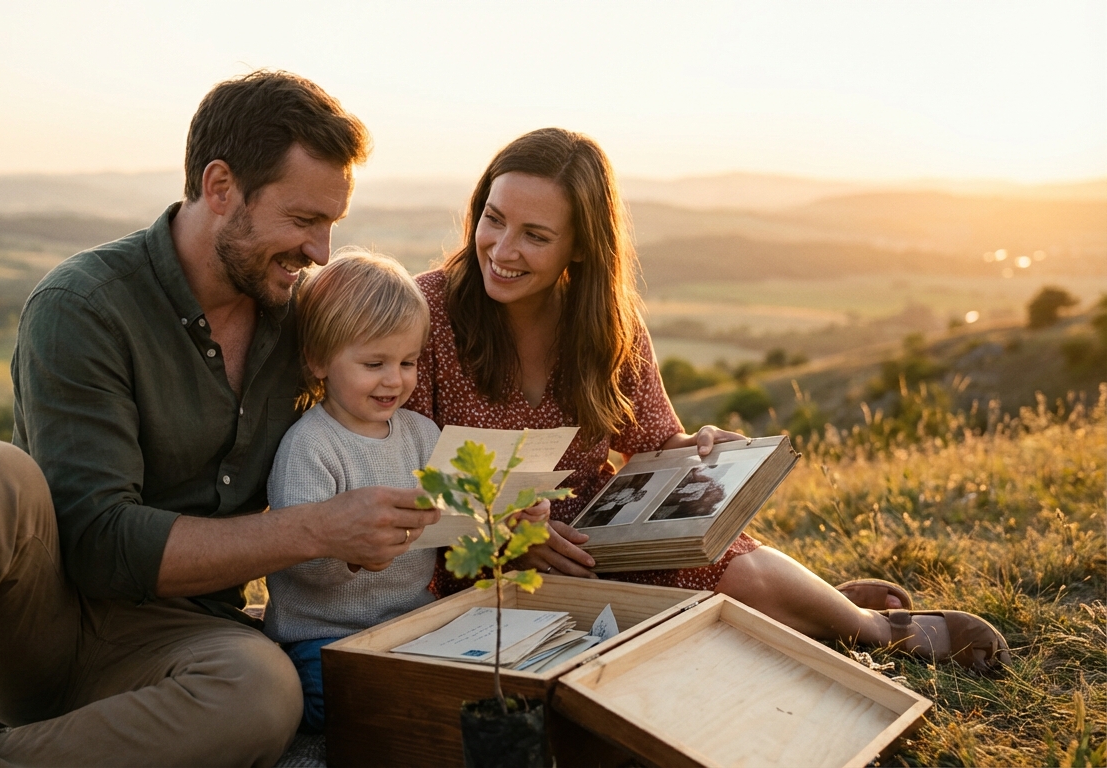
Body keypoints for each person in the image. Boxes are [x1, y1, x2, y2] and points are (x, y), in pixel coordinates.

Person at [0, 71, 442, 768]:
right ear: (221, 187)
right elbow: (99, 542)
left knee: (264, 692)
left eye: (331, 225)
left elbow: (412, 330)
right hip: (40, 628)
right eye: (303, 220)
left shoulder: (303, 324)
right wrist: (315, 528)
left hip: (185, 637)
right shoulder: (83, 305)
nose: (320, 251)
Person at [409, 127, 1011, 674]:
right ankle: (817, 611)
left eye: (535, 236)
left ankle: (876, 629)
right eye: (494, 219)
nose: (502, 249)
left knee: (725, 574)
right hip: (472, 564)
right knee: (698, 635)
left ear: (582, 247)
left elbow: (652, 441)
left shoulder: (605, 326)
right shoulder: (425, 313)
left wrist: (694, 448)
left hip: (596, 547)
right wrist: (506, 530)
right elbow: (388, 465)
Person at [262, 250, 441, 734]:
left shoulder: (423, 435)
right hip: (324, 636)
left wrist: (503, 516)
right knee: (350, 706)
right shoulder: (310, 446)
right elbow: (299, 562)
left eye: (408, 362)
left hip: (410, 625)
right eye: (374, 363)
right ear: (318, 360)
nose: (394, 379)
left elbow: (454, 523)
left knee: (460, 687)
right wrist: (355, 552)